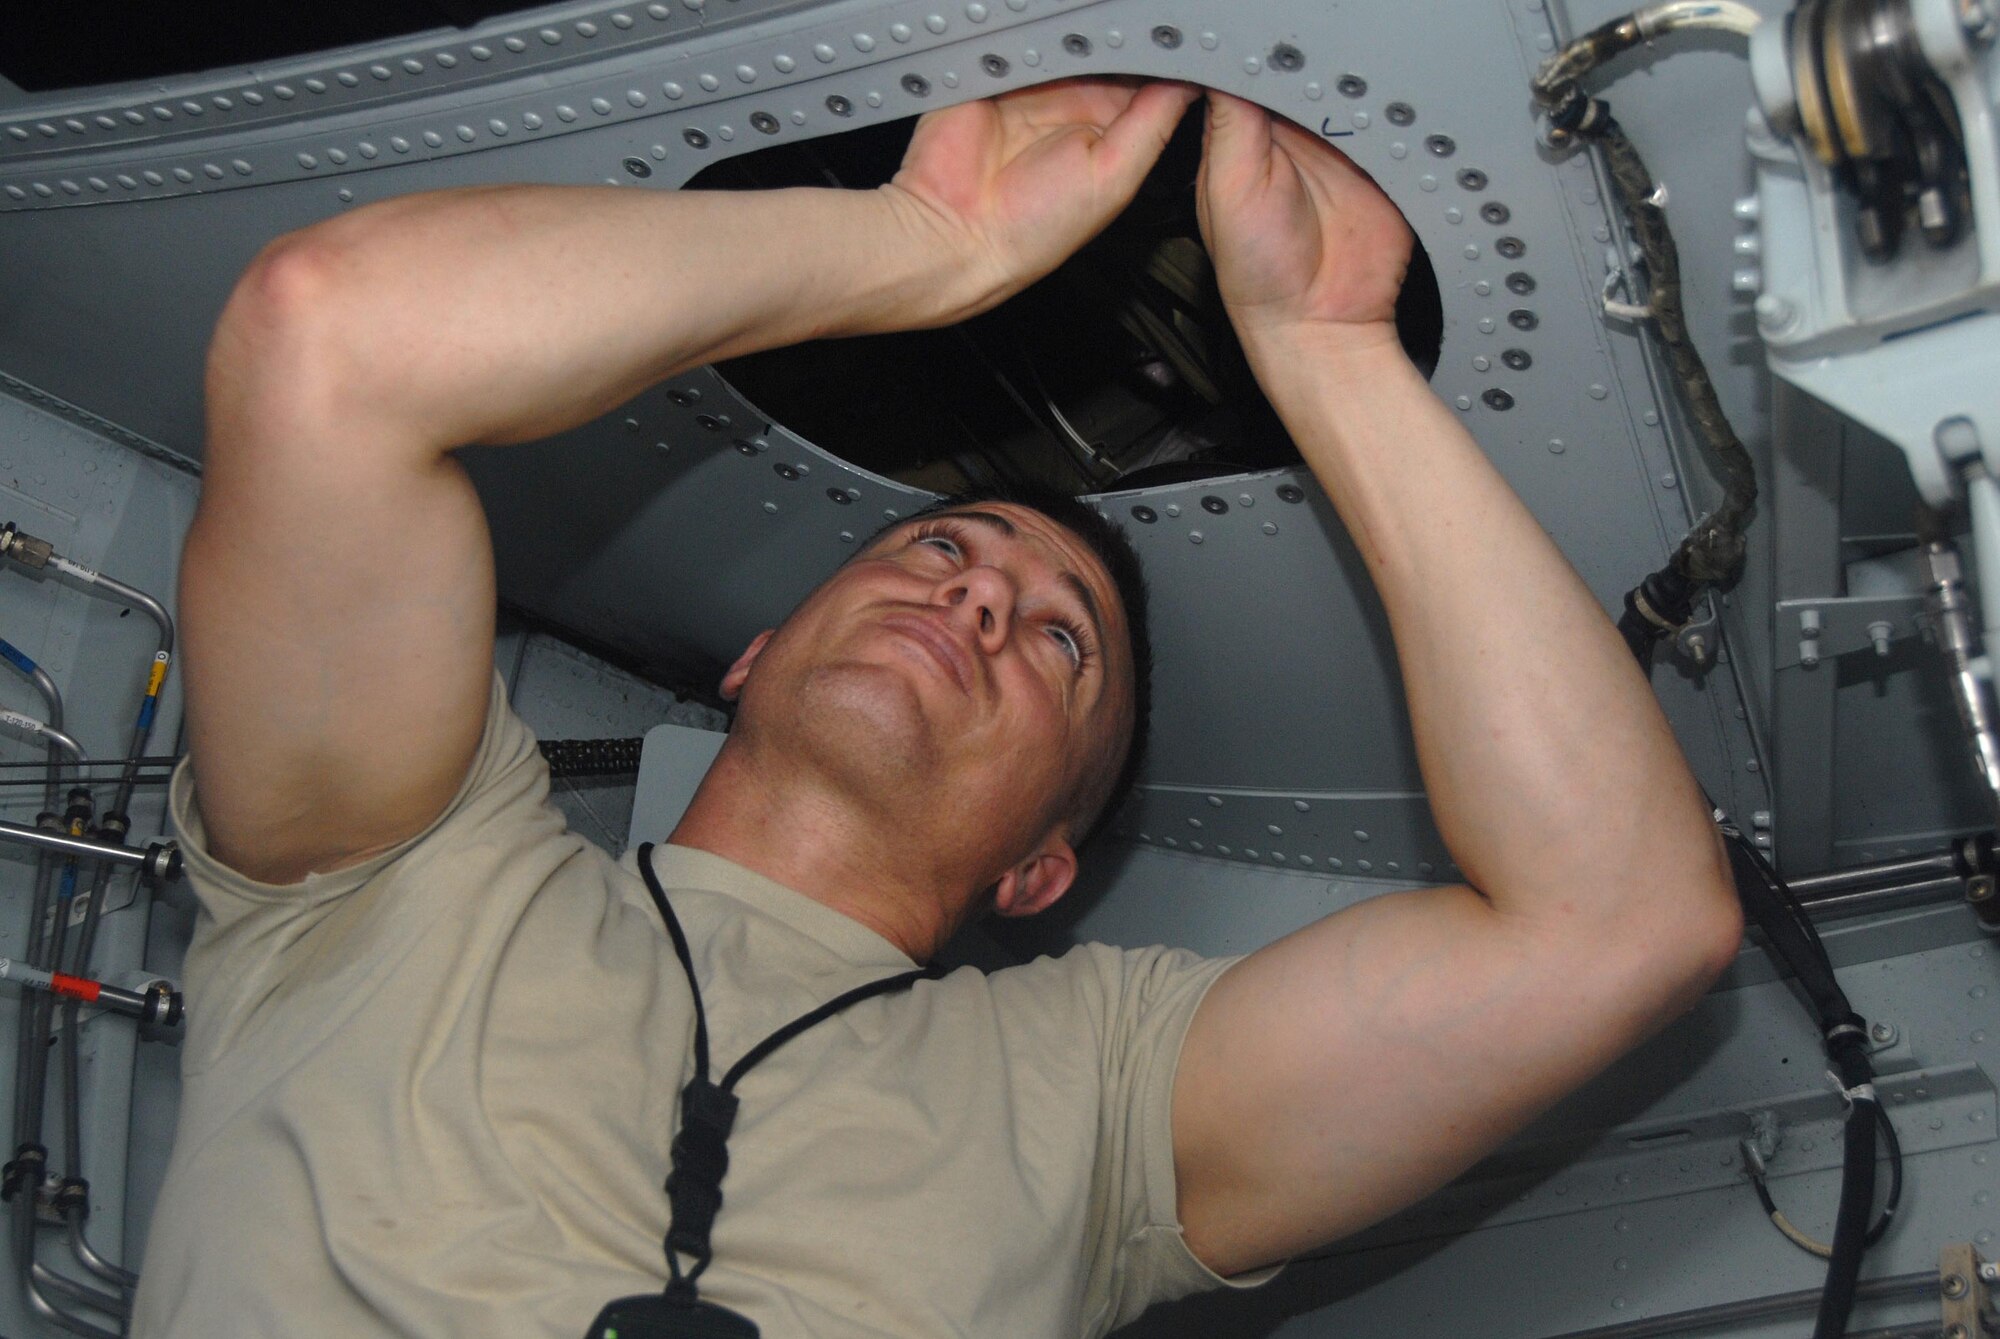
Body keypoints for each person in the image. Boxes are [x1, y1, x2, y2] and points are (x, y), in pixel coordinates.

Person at [134, 77, 1742, 1338]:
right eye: (944, 548)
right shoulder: (398, 877)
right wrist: (923, 242)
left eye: (1061, 647)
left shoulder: (1099, 1102)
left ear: (1047, 866)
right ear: (753, 662)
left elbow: (1621, 926)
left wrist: (1329, 352)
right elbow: (328, 344)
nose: (979, 595)